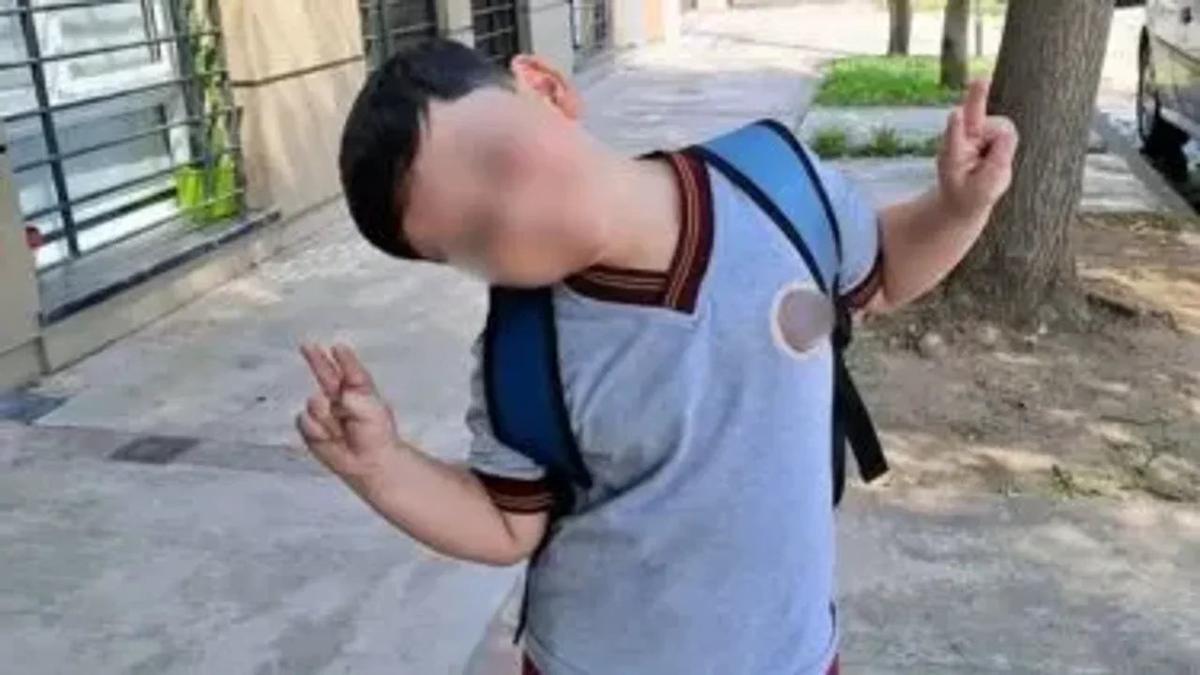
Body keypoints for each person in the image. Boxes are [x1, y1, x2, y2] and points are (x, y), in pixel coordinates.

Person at [296, 39, 1017, 675]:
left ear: (546, 87)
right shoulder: (525, 352)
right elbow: (508, 523)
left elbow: (881, 274)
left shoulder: (777, 189)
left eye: (495, 160)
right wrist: (382, 466)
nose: (515, 218)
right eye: (478, 237)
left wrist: (957, 208)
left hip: (789, 652)